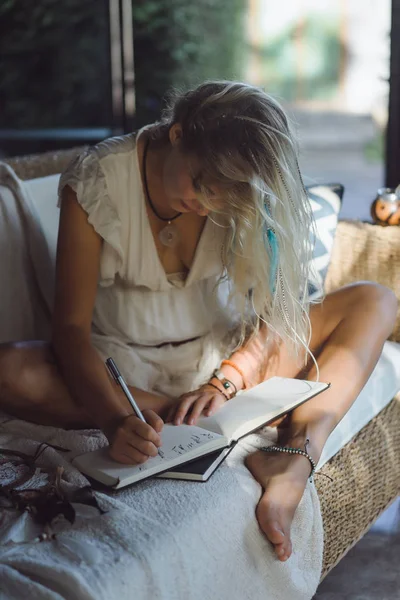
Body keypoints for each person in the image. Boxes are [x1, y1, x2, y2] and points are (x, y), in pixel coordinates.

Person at [0, 81, 397, 563]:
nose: (208, 204)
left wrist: (230, 378)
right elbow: (69, 331)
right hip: (125, 375)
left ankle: (295, 454)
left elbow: (277, 313)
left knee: (375, 301)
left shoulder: (240, 185)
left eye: (223, 194)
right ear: (178, 134)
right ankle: (185, 416)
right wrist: (114, 418)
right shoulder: (98, 181)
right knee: (11, 370)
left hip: (229, 363)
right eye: (200, 183)